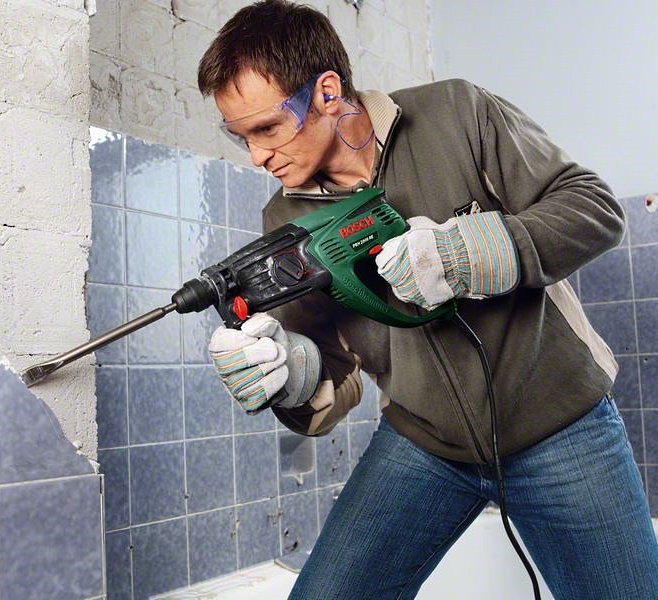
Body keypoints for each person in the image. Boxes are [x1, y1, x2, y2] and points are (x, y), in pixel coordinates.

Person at [197, 1, 658, 598]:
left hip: (562, 428)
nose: (258, 156)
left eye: (267, 128)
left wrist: (469, 253)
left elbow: (593, 209)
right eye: (241, 137)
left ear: (328, 93)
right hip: (423, 446)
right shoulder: (284, 220)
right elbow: (332, 374)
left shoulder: (456, 112)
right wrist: (287, 374)